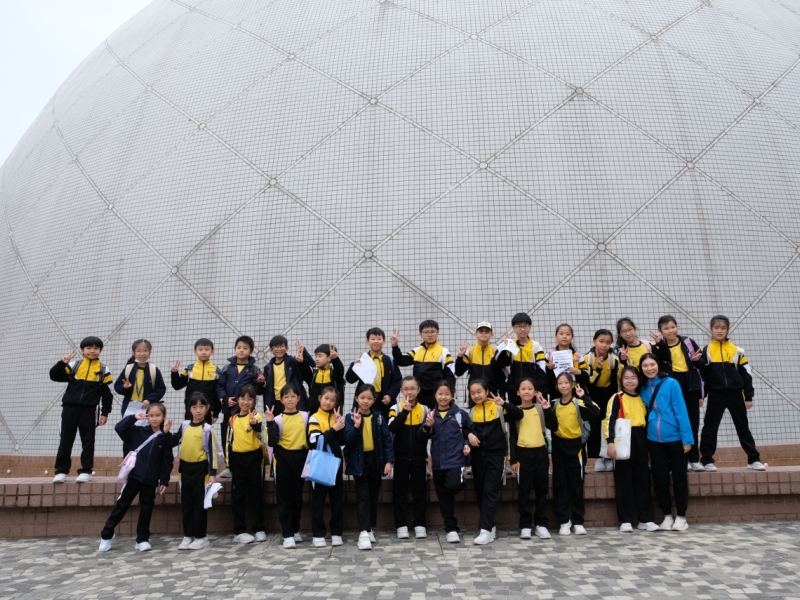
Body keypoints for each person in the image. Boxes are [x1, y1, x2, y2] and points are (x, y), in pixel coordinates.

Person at [692, 315, 766, 471]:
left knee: (743, 426)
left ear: (727, 330)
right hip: (716, 395)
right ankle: (706, 460)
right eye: (716, 328)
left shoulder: (737, 351)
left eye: (723, 328)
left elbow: (746, 374)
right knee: (710, 427)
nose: (719, 331)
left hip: (735, 394)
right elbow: (703, 376)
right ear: (711, 329)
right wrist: (701, 395)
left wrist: (749, 396)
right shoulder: (706, 351)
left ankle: (753, 459)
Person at [98, 404, 173, 552]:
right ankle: (106, 534)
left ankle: (142, 539)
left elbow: (167, 461)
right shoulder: (138, 431)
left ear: (163, 417)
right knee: (122, 505)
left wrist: (164, 480)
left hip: (151, 480)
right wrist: (133, 417)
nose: (154, 418)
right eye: (151, 415)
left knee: (146, 509)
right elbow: (119, 428)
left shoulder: (164, 438)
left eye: (158, 415)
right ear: (147, 416)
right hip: (134, 477)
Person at [639, 354, 693, 532]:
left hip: (675, 438)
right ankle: (667, 515)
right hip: (654, 439)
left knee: (679, 479)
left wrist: (687, 438)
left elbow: (681, 411)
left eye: (652, 364)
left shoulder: (671, 383)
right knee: (660, 479)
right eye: (645, 365)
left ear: (658, 365)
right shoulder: (642, 387)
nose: (649, 368)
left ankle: (682, 516)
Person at [466, 380, 523, 545]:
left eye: (479, 391)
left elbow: (519, 414)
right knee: (480, 492)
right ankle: (490, 527)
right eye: (473, 393)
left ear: (487, 391)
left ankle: (485, 530)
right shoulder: (470, 412)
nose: (476, 395)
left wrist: (504, 403)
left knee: (490, 491)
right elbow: (465, 429)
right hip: (478, 457)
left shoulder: (498, 408)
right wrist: (469, 435)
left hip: (496, 456)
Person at [417, 380, 473, 544]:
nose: (443, 397)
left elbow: (468, 431)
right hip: (438, 462)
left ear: (452, 395)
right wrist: (427, 426)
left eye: (447, 394)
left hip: (455, 460)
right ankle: (451, 528)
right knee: (443, 497)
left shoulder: (460, 414)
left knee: (453, 486)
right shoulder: (431, 414)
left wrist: (467, 444)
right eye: (440, 394)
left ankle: (460, 479)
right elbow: (421, 437)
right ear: (435, 395)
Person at [50, 336, 113, 484]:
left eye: (96, 348)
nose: (92, 351)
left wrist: (105, 413)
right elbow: (54, 376)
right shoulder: (74, 365)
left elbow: (107, 394)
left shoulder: (103, 370)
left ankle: (86, 471)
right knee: (65, 440)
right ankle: (61, 471)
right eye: (88, 348)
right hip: (69, 409)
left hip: (89, 410)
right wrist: (62, 363)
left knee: (88, 441)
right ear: (82, 350)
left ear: (100, 351)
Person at [605, 366, 659, 533]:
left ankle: (646, 519)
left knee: (643, 479)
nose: (630, 381)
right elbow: (609, 420)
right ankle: (625, 520)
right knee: (624, 480)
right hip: (623, 438)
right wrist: (610, 442)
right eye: (626, 378)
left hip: (641, 437)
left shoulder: (643, 398)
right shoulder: (617, 397)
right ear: (621, 380)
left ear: (639, 380)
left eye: (633, 377)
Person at [344, 384, 395, 551]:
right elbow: (347, 440)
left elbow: (387, 440)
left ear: (374, 400)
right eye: (362, 397)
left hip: (376, 460)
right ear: (356, 398)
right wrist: (356, 426)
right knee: (363, 496)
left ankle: (369, 527)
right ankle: (363, 532)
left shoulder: (379, 417)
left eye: (369, 398)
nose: (365, 401)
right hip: (359, 461)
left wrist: (389, 461)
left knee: (373, 495)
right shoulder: (350, 417)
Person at [650, 317, 705, 471]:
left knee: (692, 423)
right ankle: (683, 459)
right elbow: (663, 359)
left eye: (673, 327)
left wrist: (696, 361)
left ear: (677, 327)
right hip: (672, 386)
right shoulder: (659, 348)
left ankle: (694, 459)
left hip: (690, 386)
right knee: (676, 423)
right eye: (666, 328)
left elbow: (702, 366)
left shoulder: (688, 342)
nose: (671, 331)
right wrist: (660, 344)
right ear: (661, 331)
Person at [550, 372, 599, 536]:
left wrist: (584, 396)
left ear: (572, 385)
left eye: (566, 382)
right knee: (560, 485)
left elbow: (595, 413)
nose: (563, 385)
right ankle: (564, 521)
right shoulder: (554, 404)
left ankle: (578, 521)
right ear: (557, 386)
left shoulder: (579, 403)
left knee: (576, 485)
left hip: (576, 447)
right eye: (560, 383)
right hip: (558, 447)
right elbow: (550, 424)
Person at [509, 378, 555, 540]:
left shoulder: (541, 408)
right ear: (518, 392)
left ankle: (541, 524)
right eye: (523, 388)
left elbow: (554, 426)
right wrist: (513, 459)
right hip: (523, 455)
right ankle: (525, 525)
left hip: (541, 453)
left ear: (536, 392)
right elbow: (512, 437)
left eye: (530, 388)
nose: (527, 391)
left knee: (542, 490)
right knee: (524, 491)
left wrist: (547, 409)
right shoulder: (515, 411)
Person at [170, 392, 218, 550]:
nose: (198, 410)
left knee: (199, 504)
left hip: (200, 470)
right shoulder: (185, 426)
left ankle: (201, 536)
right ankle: (188, 535)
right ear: (189, 409)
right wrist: (165, 432)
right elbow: (173, 440)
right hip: (184, 470)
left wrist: (212, 474)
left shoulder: (207, 429)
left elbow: (213, 453)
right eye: (194, 407)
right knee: (187, 503)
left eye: (201, 406)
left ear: (207, 408)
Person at [266, 383, 310, 549]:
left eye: (293, 396)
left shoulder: (305, 416)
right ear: (281, 399)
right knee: (284, 497)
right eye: (286, 396)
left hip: (300, 458)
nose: (290, 399)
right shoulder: (278, 419)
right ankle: (287, 534)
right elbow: (272, 442)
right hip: (283, 459)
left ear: (298, 398)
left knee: (297, 497)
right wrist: (269, 423)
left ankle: (295, 529)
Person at [216, 336, 265, 477]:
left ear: (251, 351)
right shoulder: (227, 368)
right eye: (239, 347)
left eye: (245, 348)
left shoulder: (255, 370)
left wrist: (260, 382)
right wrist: (225, 399)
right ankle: (229, 466)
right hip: (229, 410)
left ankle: (248, 465)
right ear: (234, 349)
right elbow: (219, 386)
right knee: (228, 438)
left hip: (246, 412)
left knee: (246, 437)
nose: (241, 350)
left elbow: (258, 391)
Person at [388, 376, 429, 540]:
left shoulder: (425, 409)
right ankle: (401, 525)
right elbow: (392, 428)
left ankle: (420, 524)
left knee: (420, 492)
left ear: (418, 390)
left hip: (419, 458)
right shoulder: (395, 408)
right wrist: (404, 412)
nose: (409, 392)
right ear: (401, 391)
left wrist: (428, 427)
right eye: (406, 389)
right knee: (400, 493)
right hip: (400, 458)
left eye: (412, 388)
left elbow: (425, 436)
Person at [227, 385, 267, 544]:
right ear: (237, 400)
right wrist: (230, 463)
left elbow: (262, 437)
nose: (246, 402)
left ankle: (259, 528)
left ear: (254, 401)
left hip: (254, 459)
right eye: (243, 398)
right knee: (238, 496)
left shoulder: (257, 416)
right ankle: (239, 530)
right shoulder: (233, 419)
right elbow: (229, 442)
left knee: (256, 494)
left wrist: (255, 424)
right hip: (238, 460)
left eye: (250, 399)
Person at [307, 387, 345, 548]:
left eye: (332, 400)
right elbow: (315, 441)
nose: (328, 402)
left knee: (337, 500)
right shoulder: (314, 418)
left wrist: (338, 425)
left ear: (336, 403)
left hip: (335, 464)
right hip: (320, 465)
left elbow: (342, 441)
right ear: (320, 398)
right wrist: (333, 429)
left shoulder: (337, 418)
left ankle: (336, 532)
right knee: (318, 501)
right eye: (326, 398)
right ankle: (318, 533)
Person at [114, 339, 167, 455]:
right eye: (138, 351)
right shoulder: (128, 369)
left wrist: (149, 399)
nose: (142, 354)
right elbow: (117, 387)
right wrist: (125, 387)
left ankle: (145, 461)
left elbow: (161, 389)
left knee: (147, 434)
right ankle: (128, 462)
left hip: (147, 408)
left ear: (150, 352)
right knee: (128, 434)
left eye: (145, 351)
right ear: (133, 353)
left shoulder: (154, 370)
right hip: (130, 408)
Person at [390, 320, 456, 409]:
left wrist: (448, 395)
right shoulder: (417, 351)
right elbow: (401, 361)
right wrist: (395, 346)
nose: (430, 334)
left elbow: (450, 376)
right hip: (418, 396)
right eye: (426, 332)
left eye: (433, 331)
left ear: (438, 333)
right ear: (420, 334)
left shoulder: (444, 352)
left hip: (435, 397)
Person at [584, 329, 621, 471]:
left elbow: (619, 380)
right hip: (592, 396)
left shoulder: (614, 360)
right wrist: (598, 368)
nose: (604, 345)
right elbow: (588, 381)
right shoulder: (587, 359)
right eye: (601, 341)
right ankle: (596, 458)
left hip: (609, 396)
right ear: (594, 341)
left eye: (608, 342)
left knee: (607, 426)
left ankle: (608, 456)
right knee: (593, 428)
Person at [346, 327, 402, 418]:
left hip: (384, 401)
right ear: (367, 341)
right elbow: (349, 379)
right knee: (363, 424)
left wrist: (390, 395)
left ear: (384, 341)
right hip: (365, 400)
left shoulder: (390, 361)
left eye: (379, 339)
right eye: (373, 339)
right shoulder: (362, 360)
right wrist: (354, 366)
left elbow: (398, 381)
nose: (376, 341)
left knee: (383, 424)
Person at [498, 312, 548, 405]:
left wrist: (540, 391)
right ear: (513, 328)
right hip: (514, 394)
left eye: (525, 326)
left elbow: (542, 371)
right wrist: (506, 348)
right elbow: (499, 364)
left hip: (533, 394)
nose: (522, 329)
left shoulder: (536, 346)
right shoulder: (510, 345)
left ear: (530, 327)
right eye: (518, 326)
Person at [170, 338, 221, 425]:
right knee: (189, 432)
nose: (203, 352)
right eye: (200, 349)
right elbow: (177, 386)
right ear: (195, 351)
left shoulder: (216, 371)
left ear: (212, 351)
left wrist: (216, 412)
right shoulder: (189, 369)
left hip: (207, 411)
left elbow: (217, 394)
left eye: (207, 349)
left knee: (205, 433)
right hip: (191, 410)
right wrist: (174, 373)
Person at [455, 322, 506, 403]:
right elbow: (458, 372)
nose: (484, 333)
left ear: (492, 335)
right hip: (475, 396)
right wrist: (460, 357)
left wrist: (502, 396)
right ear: (476, 334)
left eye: (487, 331)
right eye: (481, 331)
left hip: (492, 397)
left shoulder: (495, 353)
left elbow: (501, 377)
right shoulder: (470, 352)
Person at [263, 336, 312, 414]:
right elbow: (264, 389)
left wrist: (302, 362)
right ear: (271, 350)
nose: (279, 349)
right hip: (276, 403)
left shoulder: (293, 362)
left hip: (292, 401)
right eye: (276, 346)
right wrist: (260, 383)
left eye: (282, 346)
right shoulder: (267, 368)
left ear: (287, 348)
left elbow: (308, 376)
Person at [545, 324, 589, 399]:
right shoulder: (549, 355)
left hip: (575, 393)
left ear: (572, 337)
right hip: (556, 394)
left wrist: (579, 372)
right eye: (561, 334)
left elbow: (587, 376)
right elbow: (544, 377)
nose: (564, 336)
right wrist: (549, 369)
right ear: (556, 336)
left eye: (568, 334)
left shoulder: (577, 356)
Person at [305, 344, 345, 414]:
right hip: (315, 412)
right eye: (316, 356)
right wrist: (301, 362)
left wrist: (335, 359)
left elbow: (340, 371)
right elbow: (304, 372)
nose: (317, 359)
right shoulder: (314, 374)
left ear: (329, 358)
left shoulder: (334, 373)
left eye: (320, 356)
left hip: (332, 412)